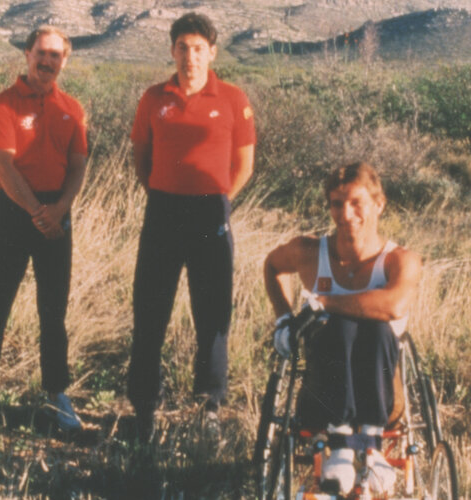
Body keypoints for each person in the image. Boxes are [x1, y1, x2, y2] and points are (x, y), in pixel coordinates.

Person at [126, 12, 256, 441]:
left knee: (213, 313)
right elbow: (141, 158)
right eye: (182, 47)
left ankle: (210, 406)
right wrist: (163, 192)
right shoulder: (153, 97)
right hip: (163, 212)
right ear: (172, 51)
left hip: (210, 214)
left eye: (199, 48)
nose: (190, 56)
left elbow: (245, 164)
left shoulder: (234, 99)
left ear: (212, 52)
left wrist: (219, 203)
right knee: (149, 311)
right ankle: (144, 406)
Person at [0, 26, 88, 432]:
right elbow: (3, 164)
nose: (47, 62)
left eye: (55, 55)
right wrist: (37, 211)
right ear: (27, 54)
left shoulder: (72, 108)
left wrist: (59, 209)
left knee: (54, 310)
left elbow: (79, 165)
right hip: (16, 212)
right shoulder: (4, 104)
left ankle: (56, 393)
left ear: (64, 61)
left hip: (56, 213)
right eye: (40, 53)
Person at [263, 163, 423, 496]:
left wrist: (325, 302)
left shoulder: (400, 261)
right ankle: (342, 444)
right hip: (323, 397)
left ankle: (370, 445)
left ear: (379, 204)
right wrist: (283, 319)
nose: (345, 214)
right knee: (337, 331)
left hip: (382, 397)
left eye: (355, 203)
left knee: (377, 329)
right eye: (336, 203)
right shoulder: (310, 252)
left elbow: (393, 305)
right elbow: (272, 266)